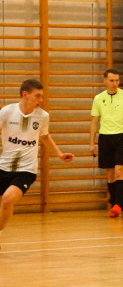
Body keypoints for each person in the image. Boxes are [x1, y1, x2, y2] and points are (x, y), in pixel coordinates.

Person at [0, 79, 76, 248]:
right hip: (3, 166)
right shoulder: (6, 112)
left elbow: (44, 136)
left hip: (26, 170)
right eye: (38, 96)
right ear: (25, 95)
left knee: (7, 199)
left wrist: (59, 154)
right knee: (6, 202)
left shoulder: (42, 116)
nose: (41, 100)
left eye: (42, 97)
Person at [89, 69, 123, 217]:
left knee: (119, 172)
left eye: (117, 80)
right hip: (105, 138)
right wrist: (92, 142)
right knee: (109, 174)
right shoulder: (98, 99)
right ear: (105, 81)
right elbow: (94, 121)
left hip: (121, 137)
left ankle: (118, 205)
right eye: (111, 80)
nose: (115, 83)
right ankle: (114, 203)